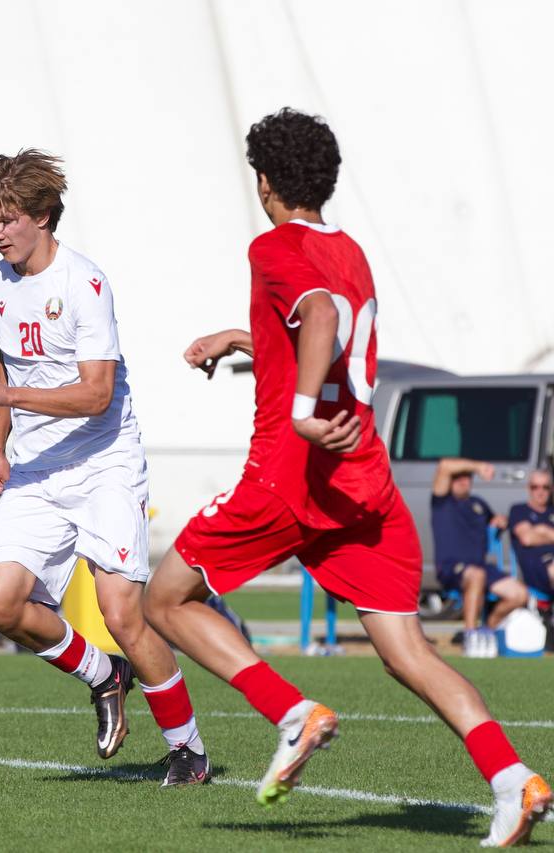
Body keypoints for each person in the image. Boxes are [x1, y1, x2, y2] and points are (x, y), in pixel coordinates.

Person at [140, 108, 549, 845]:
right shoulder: (351, 250)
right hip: (364, 481)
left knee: (164, 600)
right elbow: (322, 321)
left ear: (264, 181)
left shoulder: (272, 246)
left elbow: (320, 316)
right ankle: (514, 779)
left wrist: (298, 412)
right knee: (408, 652)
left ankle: (292, 712)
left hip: (292, 479)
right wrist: (245, 338)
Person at [0, 149, 208, 786]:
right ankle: (103, 674)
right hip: (36, 468)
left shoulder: (84, 283)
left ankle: (187, 749)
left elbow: (96, 393)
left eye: (9, 217)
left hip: (103, 463)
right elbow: (10, 366)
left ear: (43, 216)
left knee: (123, 613)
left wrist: (3, 396)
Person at [431, 458, 527, 657]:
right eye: (458, 477)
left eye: (467, 477)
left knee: (519, 594)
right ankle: (470, 634)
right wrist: (478, 466)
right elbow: (444, 466)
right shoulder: (442, 502)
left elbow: (495, 519)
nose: (463, 481)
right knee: (476, 576)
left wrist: (500, 521)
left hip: (481, 567)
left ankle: (487, 631)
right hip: (453, 567)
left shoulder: (478, 503)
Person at [508, 469, 554, 602]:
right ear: (529, 488)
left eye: (545, 487)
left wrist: (543, 530)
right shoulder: (519, 510)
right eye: (535, 487)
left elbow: (533, 536)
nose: (540, 491)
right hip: (536, 565)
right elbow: (527, 539)